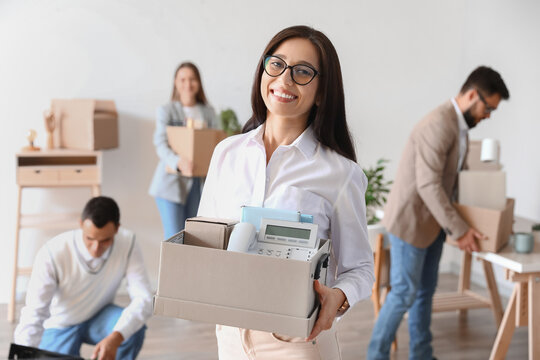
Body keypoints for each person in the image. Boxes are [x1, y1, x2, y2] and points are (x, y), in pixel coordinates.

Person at [197, 25, 374, 359]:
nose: (285, 79)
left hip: (297, 340)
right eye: (276, 64)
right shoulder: (226, 153)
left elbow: (360, 269)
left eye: (303, 72)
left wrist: (339, 296)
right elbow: (207, 238)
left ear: (322, 92)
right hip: (230, 334)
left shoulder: (340, 173)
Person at [367, 66, 510, 360]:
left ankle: (422, 354)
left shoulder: (458, 126)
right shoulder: (439, 124)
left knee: (423, 293)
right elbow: (429, 185)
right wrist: (461, 230)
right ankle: (375, 356)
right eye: (488, 108)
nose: (488, 116)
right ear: (472, 95)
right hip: (411, 223)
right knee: (404, 293)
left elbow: (453, 178)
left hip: (433, 223)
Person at [14, 196, 153, 360]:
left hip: (99, 316)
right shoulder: (52, 253)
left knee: (133, 331)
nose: (96, 249)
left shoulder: (128, 242)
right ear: (81, 224)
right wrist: (23, 355)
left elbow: (144, 299)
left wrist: (117, 336)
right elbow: (34, 312)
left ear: (117, 229)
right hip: (60, 324)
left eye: (105, 240)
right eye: (90, 239)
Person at [149, 62, 218, 239]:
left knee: (192, 237)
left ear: (199, 82)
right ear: (175, 82)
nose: (188, 84)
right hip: (170, 183)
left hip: (197, 184)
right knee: (174, 237)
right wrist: (178, 162)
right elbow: (160, 142)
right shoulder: (166, 111)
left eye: (192, 79)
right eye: (183, 79)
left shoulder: (209, 112)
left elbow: (215, 142)